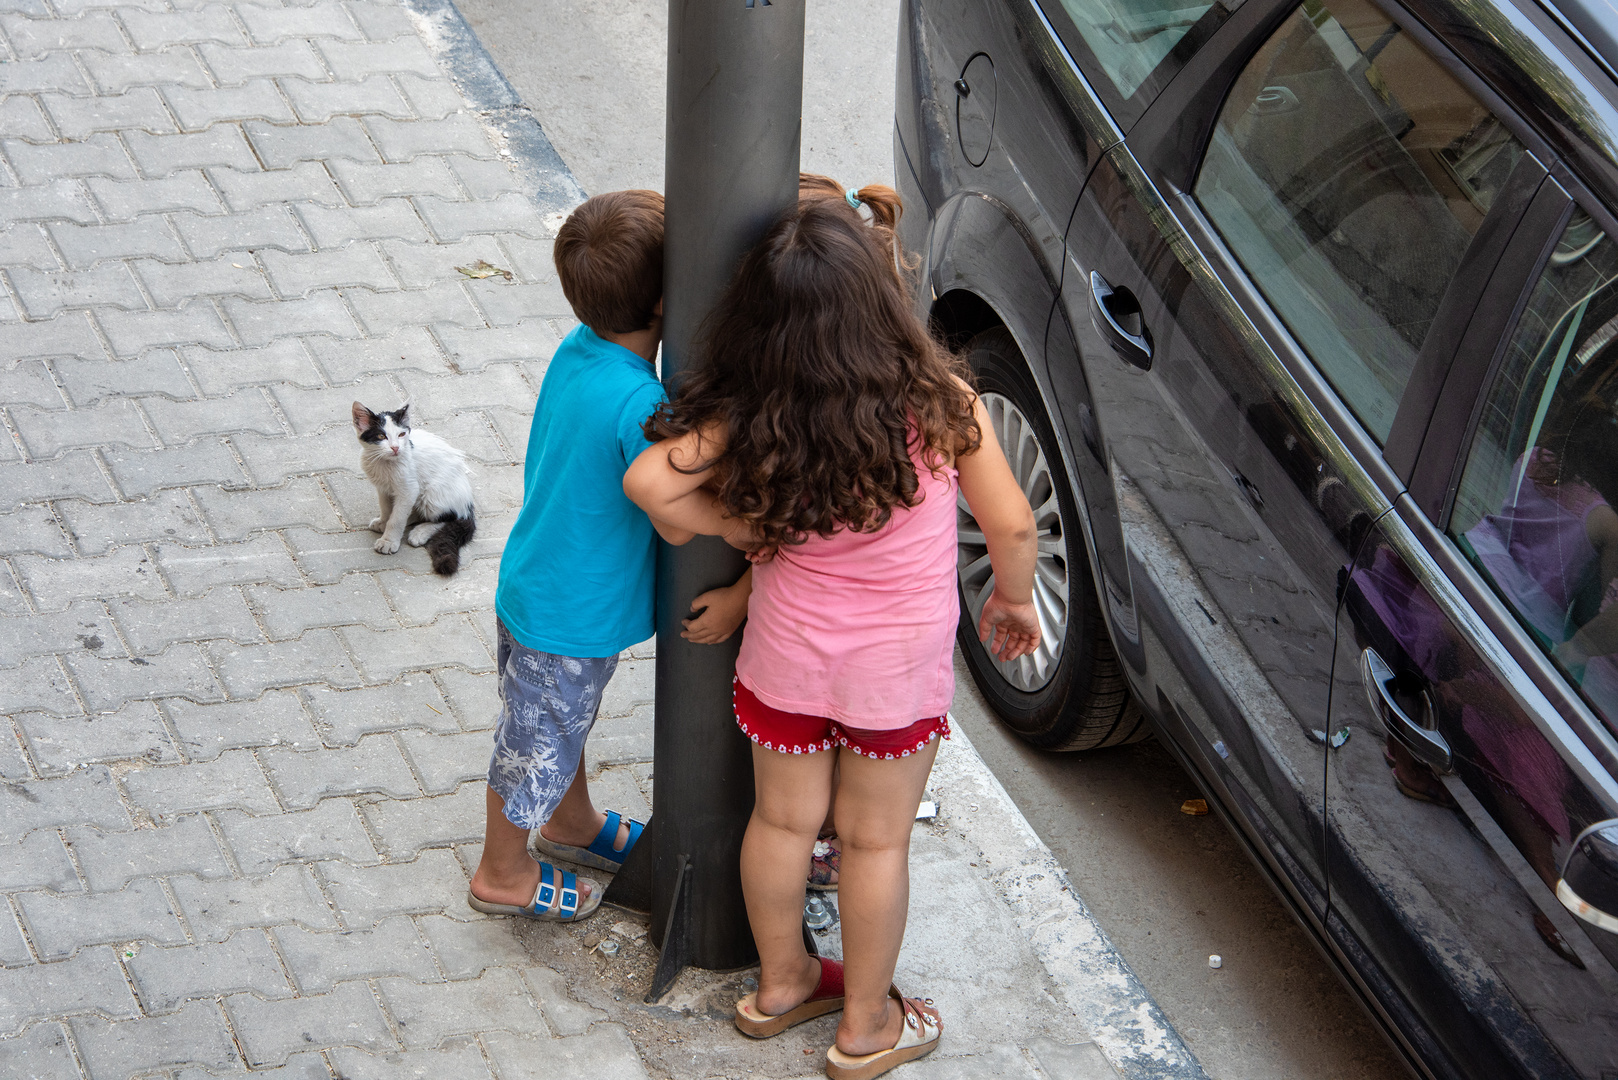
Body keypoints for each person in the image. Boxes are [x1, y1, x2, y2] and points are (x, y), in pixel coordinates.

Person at [624, 179, 1040, 1078]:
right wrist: (1013, 601)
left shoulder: (760, 412)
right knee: (874, 842)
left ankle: (780, 986)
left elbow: (652, 486)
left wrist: (740, 531)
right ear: (879, 301)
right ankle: (864, 1030)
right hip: (894, 676)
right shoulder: (944, 404)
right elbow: (1011, 527)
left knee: (781, 823)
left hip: (787, 662)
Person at [466, 189, 671, 922]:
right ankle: (502, 872)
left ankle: (572, 822)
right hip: (568, 617)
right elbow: (673, 509)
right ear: (660, 307)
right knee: (531, 743)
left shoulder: (579, 349)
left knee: (553, 726)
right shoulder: (639, 404)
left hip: (535, 584)